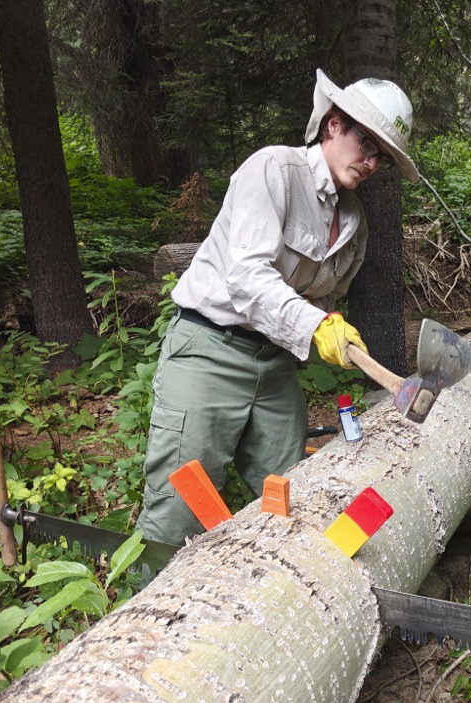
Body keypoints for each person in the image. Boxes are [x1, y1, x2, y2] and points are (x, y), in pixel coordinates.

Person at [135, 69, 419, 547]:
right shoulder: (273, 171)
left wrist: (327, 322)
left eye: (382, 158)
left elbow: (325, 296)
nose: (371, 162)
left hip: (275, 364)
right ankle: (145, 611)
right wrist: (315, 324)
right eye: (365, 142)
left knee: (297, 488)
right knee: (181, 503)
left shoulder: (354, 222)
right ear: (333, 125)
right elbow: (246, 278)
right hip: (209, 349)